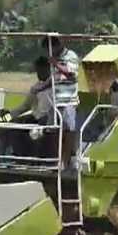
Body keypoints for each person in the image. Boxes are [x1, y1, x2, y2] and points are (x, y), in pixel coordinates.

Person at [0, 56, 53, 156]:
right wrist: (9, 113)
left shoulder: (56, 87)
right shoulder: (36, 87)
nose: (38, 74)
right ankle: (13, 156)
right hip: (36, 118)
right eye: (37, 71)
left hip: (49, 120)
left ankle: (35, 160)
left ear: (48, 69)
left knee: (36, 134)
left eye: (41, 70)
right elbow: (25, 106)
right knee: (11, 126)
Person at [40, 36, 80, 169]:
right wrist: (39, 87)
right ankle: (57, 160)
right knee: (53, 131)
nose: (49, 53)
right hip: (55, 101)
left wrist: (55, 63)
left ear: (56, 46)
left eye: (50, 49)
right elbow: (55, 78)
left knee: (68, 131)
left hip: (68, 101)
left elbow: (71, 73)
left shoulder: (71, 56)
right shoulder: (54, 60)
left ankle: (66, 161)